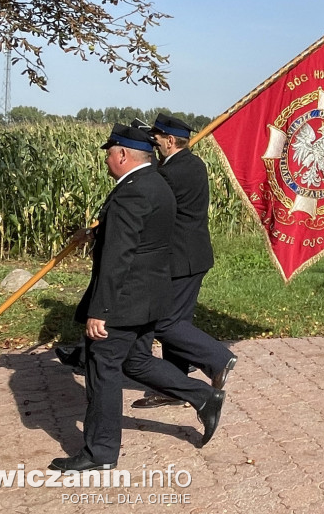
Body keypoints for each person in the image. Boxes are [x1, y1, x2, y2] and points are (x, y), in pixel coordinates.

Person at [50, 124, 225, 472]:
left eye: (109, 153)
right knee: (135, 361)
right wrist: (96, 233)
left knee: (102, 368)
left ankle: (100, 452)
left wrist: (100, 311)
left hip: (124, 300)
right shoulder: (156, 183)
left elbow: (120, 257)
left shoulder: (131, 192)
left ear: (123, 155)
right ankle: (202, 395)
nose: (106, 160)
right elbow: (140, 237)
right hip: (151, 295)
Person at [129, 114, 237, 409]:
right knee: (179, 321)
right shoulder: (192, 164)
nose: (155, 144)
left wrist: (145, 159)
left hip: (181, 258)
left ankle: (218, 359)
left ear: (170, 140)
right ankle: (174, 386)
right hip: (193, 254)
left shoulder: (171, 172)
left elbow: (148, 186)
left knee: (165, 323)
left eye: (157, 139)